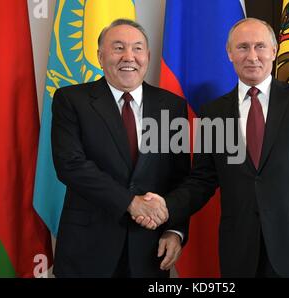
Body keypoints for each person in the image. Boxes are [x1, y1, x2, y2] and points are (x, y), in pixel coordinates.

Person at [135, 18, 289, 278]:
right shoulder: (213, 113)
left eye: (260, 46)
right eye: (243, 47)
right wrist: (167, 206)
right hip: (240, 250)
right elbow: (202, 180)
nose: (252, 56)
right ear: (230, 53)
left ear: (274, 50)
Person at [51, 19, 190, 277]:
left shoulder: (172, 107)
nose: (129, 56)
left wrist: (175, 229)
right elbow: (70, 165)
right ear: (100, 56)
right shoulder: (71, 100)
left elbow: (180, 177)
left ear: (147, 56)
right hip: (88, 249)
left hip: (150, 250)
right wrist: (130, 203)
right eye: (118, 48)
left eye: (137, 48)